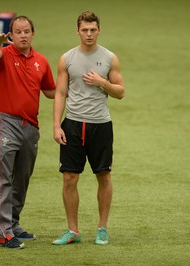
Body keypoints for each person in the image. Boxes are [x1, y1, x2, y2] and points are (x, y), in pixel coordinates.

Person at [52, 11, 124, 245]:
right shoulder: (67, 59)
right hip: (72, 124)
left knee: (103, 175)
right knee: (69, 178)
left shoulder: (110, 58)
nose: (89, 34)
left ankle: (102, 228)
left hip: (100, 125)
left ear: (99, 30)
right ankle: (72, 231)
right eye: (85, 30)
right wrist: (56, 125)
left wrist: (102, 82)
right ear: (78, 31)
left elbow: (121, 92)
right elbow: (61, 93)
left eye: (93, 30)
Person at [0, 15, 56, 249]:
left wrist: (77, 87)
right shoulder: (3, 54)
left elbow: (50, 91)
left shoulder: (41, 61)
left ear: (33, 34)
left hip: (31, 127)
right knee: (3, 177)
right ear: (11, 35)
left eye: (27, 31)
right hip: (5, 123)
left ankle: (13, 224)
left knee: (22, 178)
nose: (23, 35)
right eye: (18, 32)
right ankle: (3, 232)